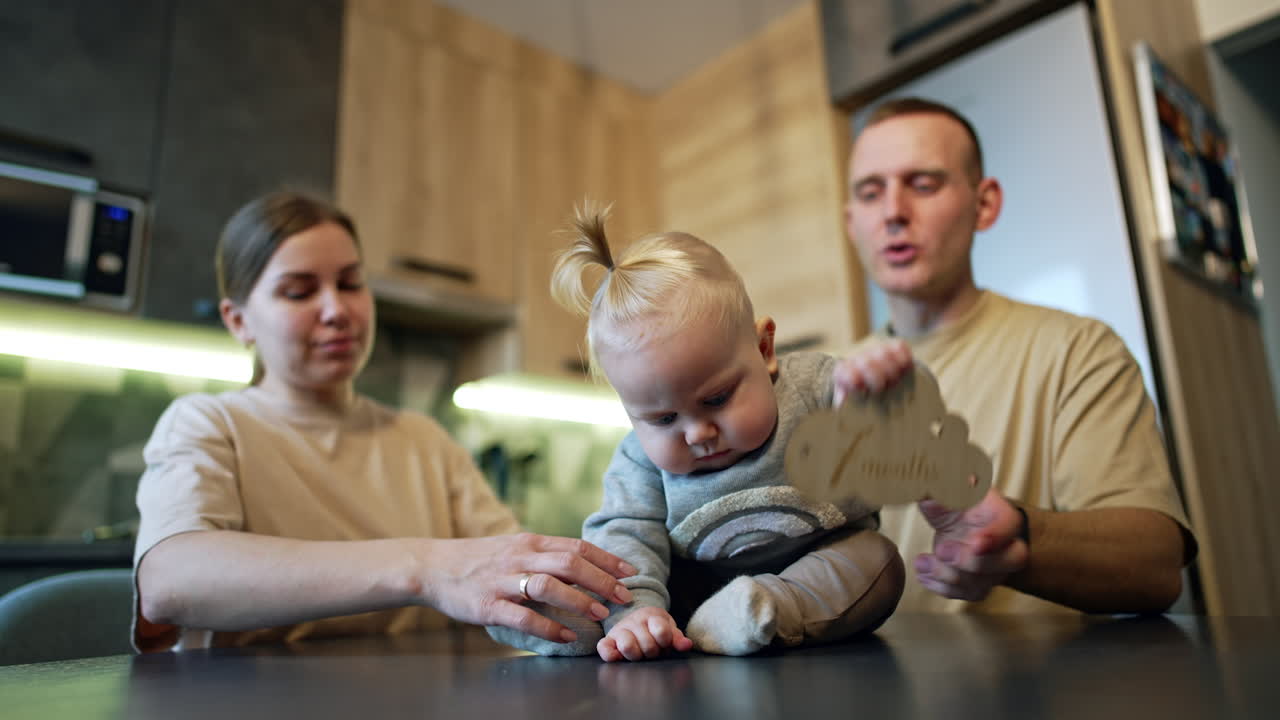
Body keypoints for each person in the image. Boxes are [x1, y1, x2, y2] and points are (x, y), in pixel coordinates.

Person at [132, 191, 637, 651]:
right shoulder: (207, 423)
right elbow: (169, 582)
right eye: (299, 291)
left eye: (351, 283)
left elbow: (507, 569)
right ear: (238, 320)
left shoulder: (424, 441)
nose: (337, 309)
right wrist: (424, 568)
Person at [488, 206, 907, 661]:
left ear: (764, 349)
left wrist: (873, 400)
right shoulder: (638, 462)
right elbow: (628, 535)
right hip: (682, 601)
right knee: (613, 587)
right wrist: (638, 612)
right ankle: (561, 622)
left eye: (717, 399)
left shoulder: (814, 387)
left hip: (812, 570)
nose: (698, 433)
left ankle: (763, 611)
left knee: (875, 561)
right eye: (663, 420)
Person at [842, 97, 1197, 614]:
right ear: (852, 223)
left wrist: (1019, 541)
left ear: (984, 204)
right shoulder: (832, 382)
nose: (894, 212)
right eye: (871, 193)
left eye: (923, 184)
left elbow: (1157, 565)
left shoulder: (1078, 351)